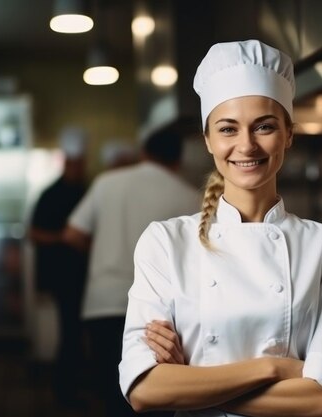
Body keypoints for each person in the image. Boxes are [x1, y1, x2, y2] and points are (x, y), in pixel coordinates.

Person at [119, 39, 322, 417]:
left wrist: (191, 382)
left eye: (264, 126)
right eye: (228, 129)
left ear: (288, 134)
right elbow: (143, 389)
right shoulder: (165, 243)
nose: (246, 146)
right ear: (208, 140)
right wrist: (276, 368)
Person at [63, 129, 201, 417]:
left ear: (143, 153)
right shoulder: (190, 196)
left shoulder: (107, 183)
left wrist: (104, 249)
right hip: (160, 314)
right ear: (177, 162)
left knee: (111, 394)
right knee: (154, 398)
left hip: (103, 302)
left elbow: (72, 234)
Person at [28, 126, 89, 407]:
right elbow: (34, 233)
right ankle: (65, 392)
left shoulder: (87, 190)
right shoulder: (50, 194)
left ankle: (75, 387)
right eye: (74, 164)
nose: (78, 168)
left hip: (87, 276)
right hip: (63, 277)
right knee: (70, 334)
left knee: (77, 334)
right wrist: (63, 237)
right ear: (66, 162)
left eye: (81, 164)